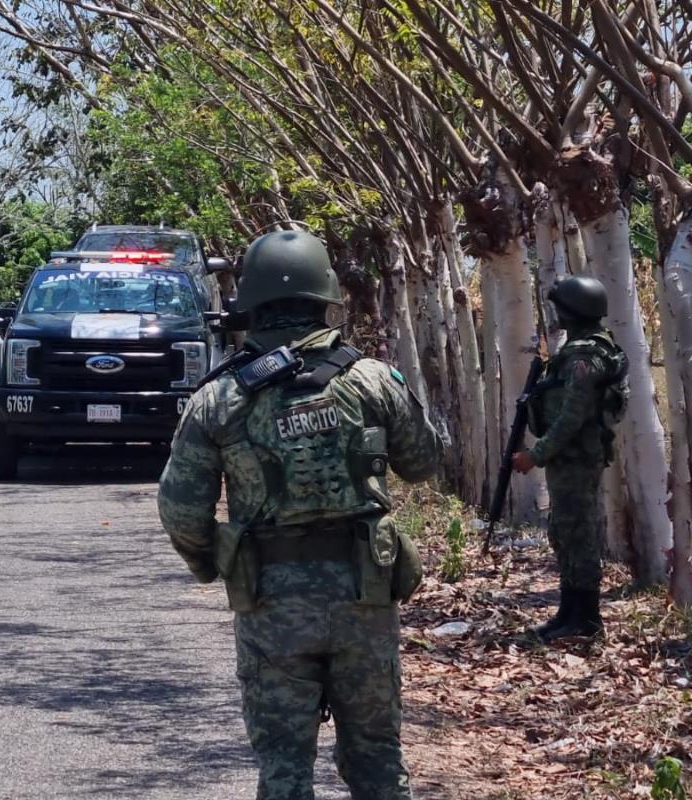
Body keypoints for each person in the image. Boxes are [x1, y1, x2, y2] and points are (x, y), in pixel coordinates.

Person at [157, 229, 443, 800]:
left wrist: (212, 564)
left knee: (284, 769)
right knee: (378, 759)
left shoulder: (219, 398)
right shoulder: (370, 378)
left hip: (270, 603)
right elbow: (422, 463)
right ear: (325, 296)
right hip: (364, 596)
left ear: (251, 304)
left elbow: (181, 510)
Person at [511, 275, 628, 642]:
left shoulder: (584, 355)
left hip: (576, 457)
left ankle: (586, 618)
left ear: (573, 310)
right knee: (566, 531)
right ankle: (570, 612)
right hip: (572, 457)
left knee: (577, 534)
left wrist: (536, 454)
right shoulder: (583, 348)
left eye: (561, 307)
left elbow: (572, 417)